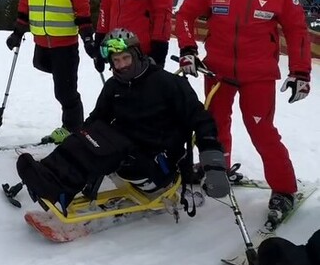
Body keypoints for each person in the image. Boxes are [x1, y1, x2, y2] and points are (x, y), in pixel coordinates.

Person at [175, 0, 311, 222]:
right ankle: (216, 170)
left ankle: (284, 189)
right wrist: (187, 50)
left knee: (262, 133)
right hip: (217, 73)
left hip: (258, 75)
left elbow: (297, 30)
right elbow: (184, 16)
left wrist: (300, 72)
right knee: (212, 127)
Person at [16, 29, 230, 209]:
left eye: (126, 58)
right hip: (125, 148)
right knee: (84, 138)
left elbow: (202, 121)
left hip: (155, 161)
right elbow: (97, 118)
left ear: (137, 54)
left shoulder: (168, 83)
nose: (122, 65)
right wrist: (80, 138)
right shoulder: (114, 86)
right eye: (116, 61)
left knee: (97, 148)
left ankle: (57, 190)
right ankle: (45, 175)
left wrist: (214, 165)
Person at [6, 0, 93, 136]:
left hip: (65, 45)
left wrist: (88, 40)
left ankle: (73, 128)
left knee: (65, 91)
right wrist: (17, 33)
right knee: (41, 66)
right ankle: (72, 119)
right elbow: (25, 6)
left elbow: (83, 12)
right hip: (42, 43)